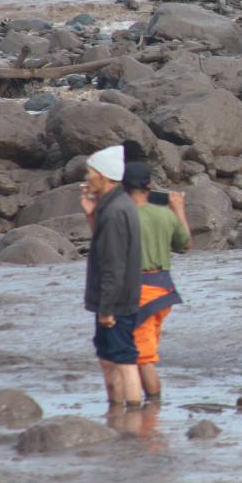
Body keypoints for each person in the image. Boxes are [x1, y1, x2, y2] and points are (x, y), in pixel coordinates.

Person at [121, 163, 192, 403]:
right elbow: (185, 245)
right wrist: (178, 210)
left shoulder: (122, 216)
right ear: (149, 186)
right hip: (164, 291)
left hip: (141, 293)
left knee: (143, 358)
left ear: (123, 187)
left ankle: (153, 408)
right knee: (147, 349)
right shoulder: (164, 215)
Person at [80, 145, 143, 410]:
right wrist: (90, 213)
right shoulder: (114, 205)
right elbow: (103, 248)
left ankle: (134, 416)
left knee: (124, 358)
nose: (86, 180)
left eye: (89, 173)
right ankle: (117, 412)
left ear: (105, 177)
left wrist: (106, 309)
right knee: (109, 357)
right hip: (118, 298)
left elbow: (112, 267)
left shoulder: (116, 210)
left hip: (116, 301)